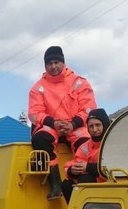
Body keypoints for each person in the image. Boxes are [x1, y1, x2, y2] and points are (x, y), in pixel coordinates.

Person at [28, 46, 97, 200]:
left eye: (56, 62)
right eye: (49, 63)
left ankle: (81, 185)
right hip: (52, 127)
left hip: (76, 126)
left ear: (63, 62)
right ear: (45, 66)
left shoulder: (79, 83)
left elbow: (89, 108)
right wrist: (54, 123)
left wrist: (73, 124)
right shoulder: (37, 88)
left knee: (87, 144)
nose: (53, 66)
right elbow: (34, 113)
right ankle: (56, 184)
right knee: (40, 139)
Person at [62, 108, 110, 203]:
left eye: (98, 125)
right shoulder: (85, 146)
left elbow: (113, 169)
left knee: (85, 179)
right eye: (91, 126)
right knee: (66, 185)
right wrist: (72, 171)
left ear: (105, 124)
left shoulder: (113, 144)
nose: (94, 129)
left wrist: (88, 167)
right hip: (93, 183)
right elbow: (76, 162)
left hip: (111, 185)